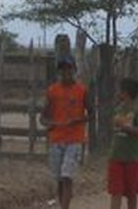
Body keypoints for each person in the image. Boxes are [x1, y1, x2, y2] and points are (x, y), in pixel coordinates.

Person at [41, 54, 92, 209]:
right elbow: (43, 117)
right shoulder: (52, 91)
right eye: (63, 70)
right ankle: (62, 203)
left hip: (74, 139)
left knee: (67, 176)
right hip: (56, 138)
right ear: (59, 72)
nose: (66, 73)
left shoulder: (81, 90)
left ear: (74, 70)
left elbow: (91, 114)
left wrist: (78, 120)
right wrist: (51, 124)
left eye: (69, 69)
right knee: (59, 179)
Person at [108, 77, 138, 209]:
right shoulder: (118, 109)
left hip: (133, 158)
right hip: (116, 156)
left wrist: (125, 127)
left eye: (120, 91)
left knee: (131, 193)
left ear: (125, 93)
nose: (118, 93)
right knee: (115, 191)